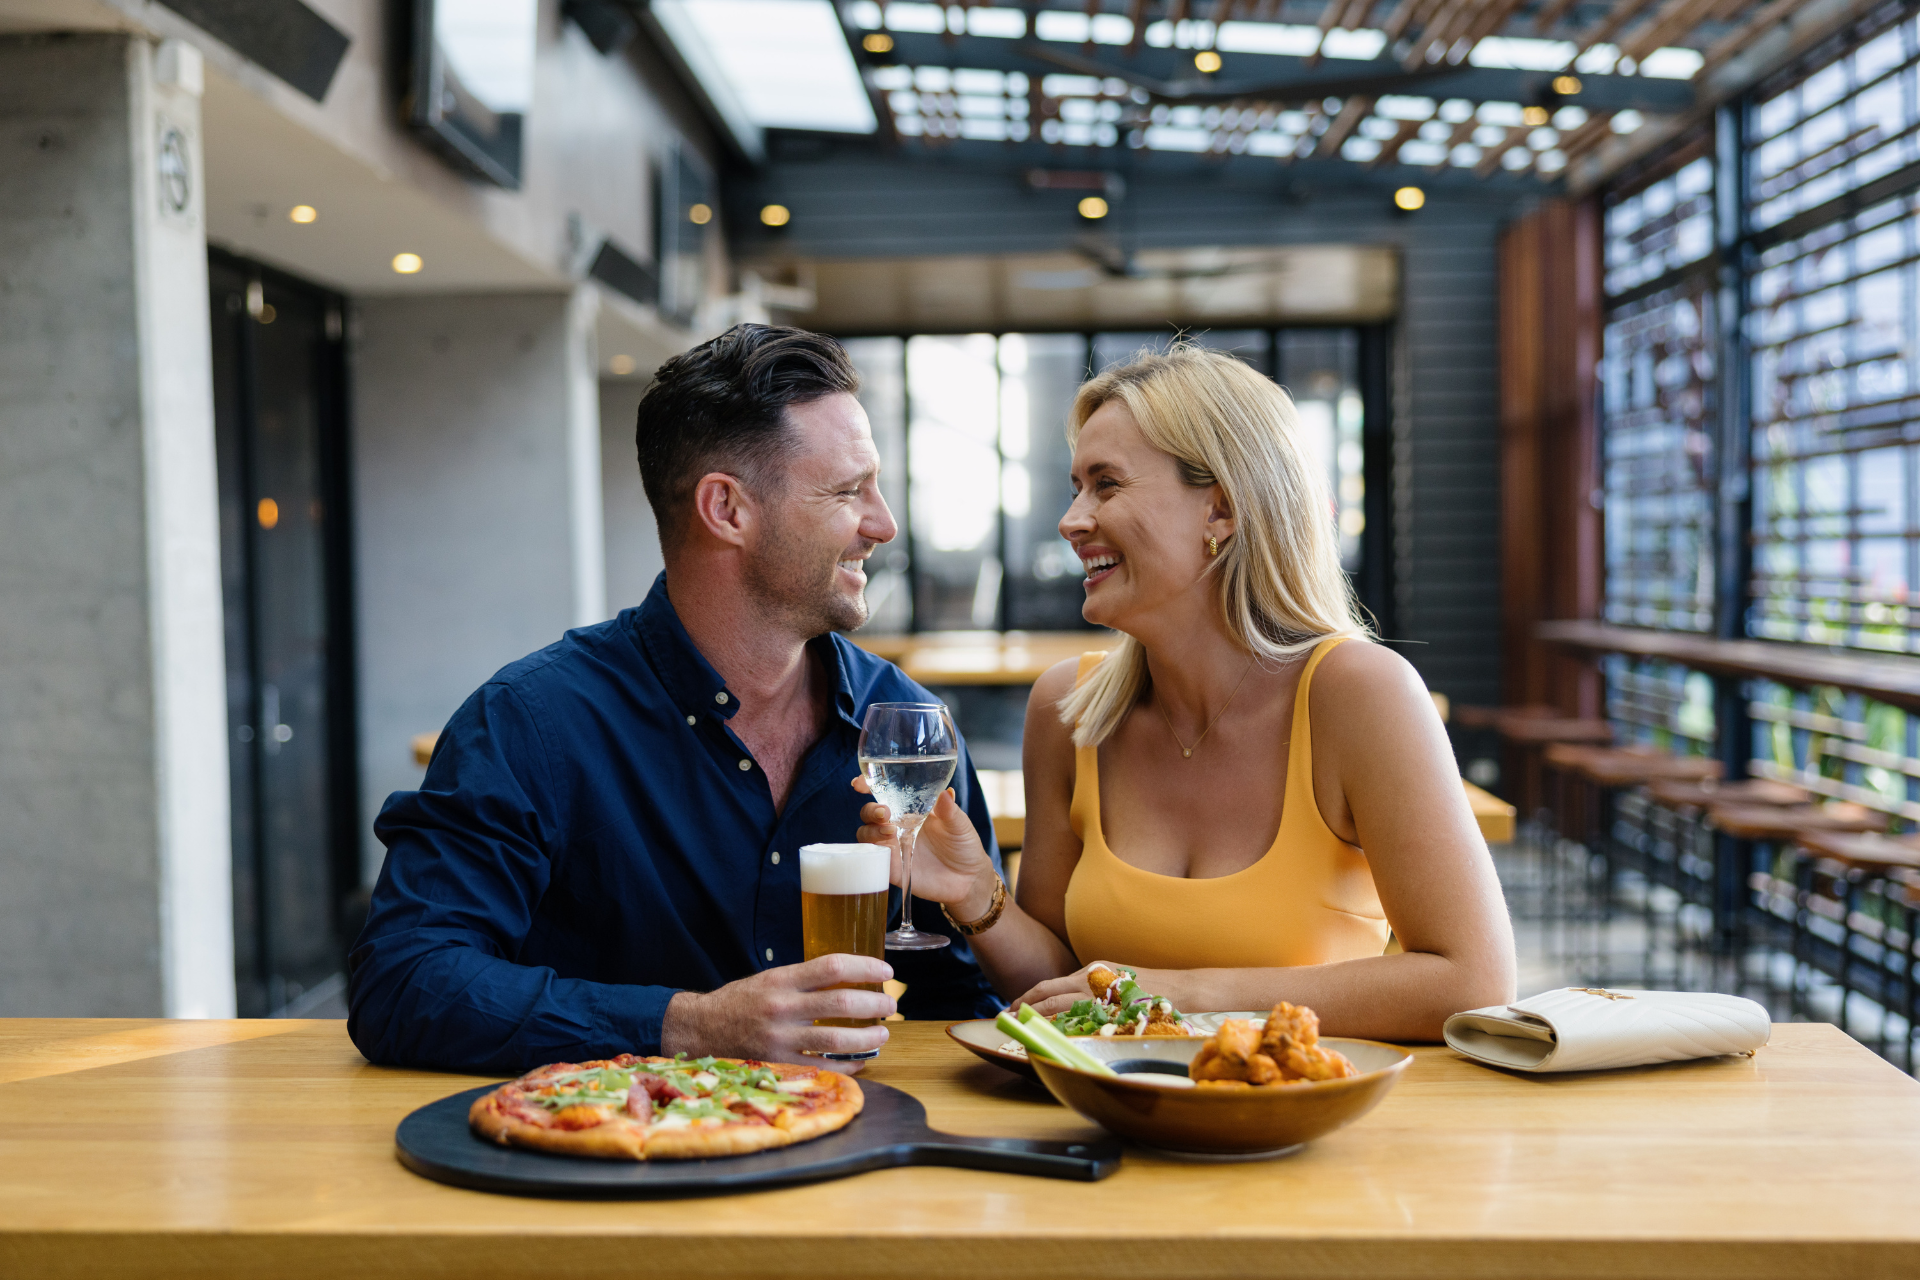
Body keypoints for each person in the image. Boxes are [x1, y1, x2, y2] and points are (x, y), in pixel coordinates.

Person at [348, 324, 1004, 1074]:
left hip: (862, 1161)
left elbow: (964, 1005)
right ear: (726, 510)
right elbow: (403, 982)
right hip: (618, 1169)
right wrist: (686, 1025)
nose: (883, 524)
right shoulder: (531, 723)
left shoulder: (906, 729)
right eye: (848, 491)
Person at [856, 345, 1516, 1041]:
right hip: (1106, 1123)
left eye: (1106, 484)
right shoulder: (1067, 710)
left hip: (1295, 1126)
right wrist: (975, 895)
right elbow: (1058, 995)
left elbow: (1470, 980)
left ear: (1221, 510)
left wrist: (1183, 995)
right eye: (1076, 486)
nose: (1072, 520)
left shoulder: (1359, 693)